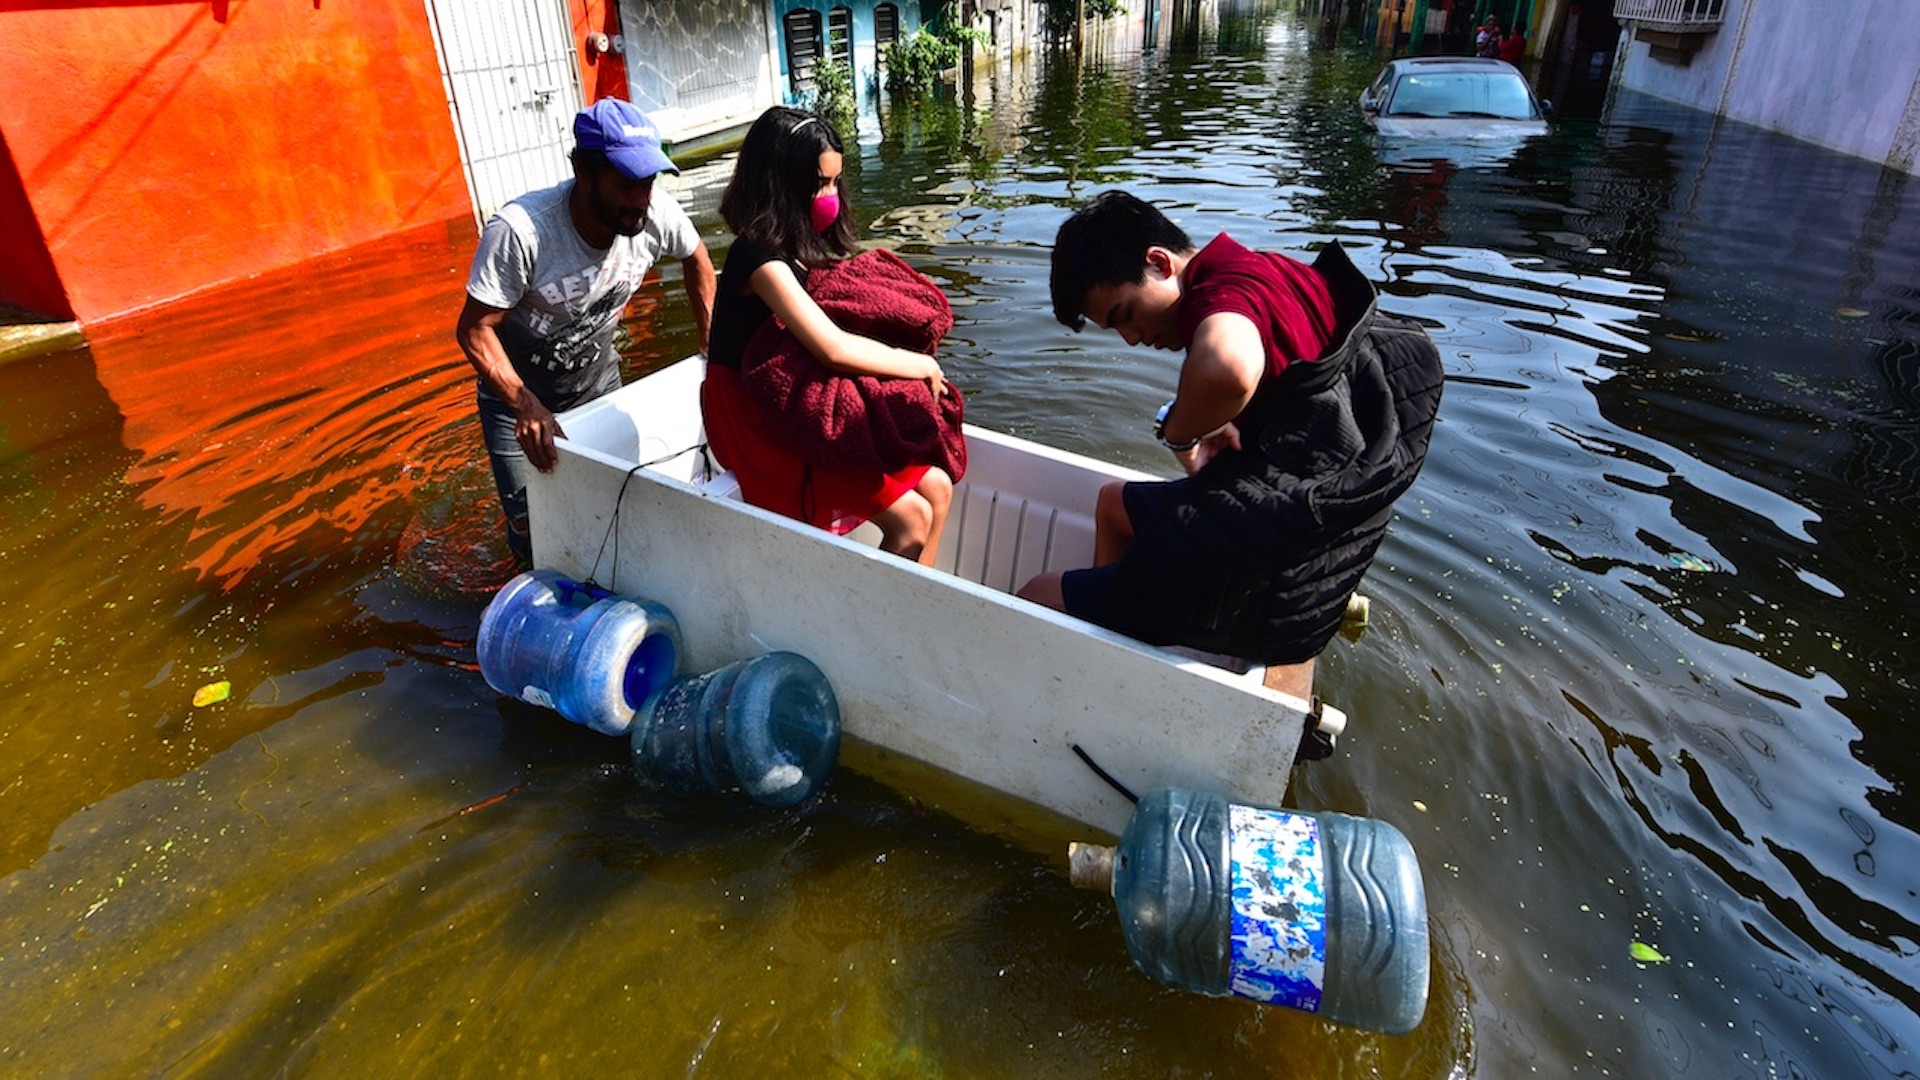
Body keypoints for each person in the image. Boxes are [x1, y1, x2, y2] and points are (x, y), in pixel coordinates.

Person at [1019, 191, 1444, 697]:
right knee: (1113, 504)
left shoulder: (1220, 298)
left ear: (1158, 262)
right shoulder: (1262, 269)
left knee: (1038, 594)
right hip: (1310, 536)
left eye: (1125, 314)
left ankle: (1078, 681)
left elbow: (1229, 367)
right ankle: (1115, 643)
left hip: (1280, 582)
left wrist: (1180, 431)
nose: (1131, 338)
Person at [456, 97, 716, 566]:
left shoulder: (655, 215)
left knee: (616, 509)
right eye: (626, 182)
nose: (641, 197)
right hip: (517, 402)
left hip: (598, 387)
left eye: (649, 181)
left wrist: (710, 348)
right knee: (534, 533)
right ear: (582, 169)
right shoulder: (522, 232)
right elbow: (474, 330)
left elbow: (698, 260)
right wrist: (524, 403)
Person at [701, 106, 954, 566]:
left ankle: (913, 617)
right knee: (913, 520)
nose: (830, 195)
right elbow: (832, 347)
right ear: (781, 183)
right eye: (820, 184)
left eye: (836, 182)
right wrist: (923, 365)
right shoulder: (757, 257)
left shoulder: (796, 247)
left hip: (786, 398)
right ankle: (873, 632)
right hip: (752, 413)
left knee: (936, 486)